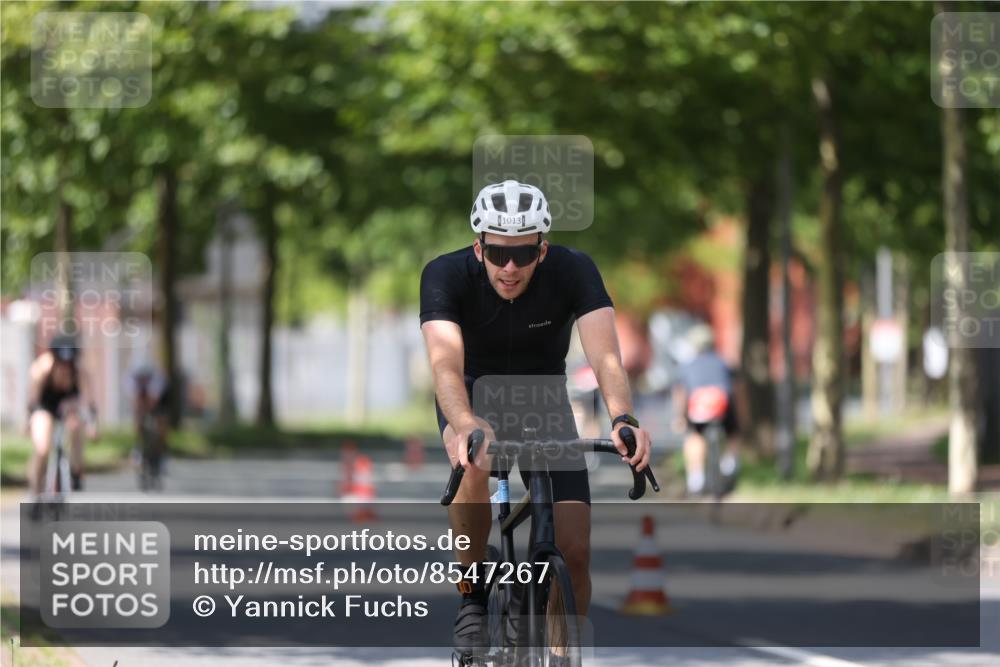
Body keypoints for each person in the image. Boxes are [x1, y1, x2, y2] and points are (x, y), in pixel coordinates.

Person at [419, 179, 653, 657]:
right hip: (472, 396)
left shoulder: (573, 269)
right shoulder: (445, 274)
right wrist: (464, 424)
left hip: (543, 400)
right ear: (478, 247)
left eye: (523, 254)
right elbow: (445, 365)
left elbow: (607, 357)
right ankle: (472, 596)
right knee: (474, 459)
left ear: (542, 251)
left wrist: (622, 417)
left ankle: (563, 654)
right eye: (498, 254)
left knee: (575, 550)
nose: (510, 268)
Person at [672, 324, 740, 495]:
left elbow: (681, 392)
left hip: (698, 406)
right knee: (733, 432)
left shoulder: (687, 365)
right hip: (722, 403)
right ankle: (730, 462)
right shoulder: (723, 362)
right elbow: (736, 389)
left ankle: (696, 476)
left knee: (694, 436)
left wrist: (680, 417)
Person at [26, 334, 98, 497]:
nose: (65, 368)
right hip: (45, 405)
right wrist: (29, 422)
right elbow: (33, 400)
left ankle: (75, 469)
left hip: (69, 405)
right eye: (61, 363)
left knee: (76, 426)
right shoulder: (42, 369)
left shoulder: (79, 371)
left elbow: (90, 402)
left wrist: (93, 425)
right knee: (42, 448)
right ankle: (36, 491)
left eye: (68, 363)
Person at [129, 360, 170, 478]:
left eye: (145, 378)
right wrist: (140, 414)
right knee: (138, 417)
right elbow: (135, 400)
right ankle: (138, 449)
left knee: (161, 422)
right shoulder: (130, 380)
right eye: (141, 378)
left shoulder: (158, 379)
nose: (143, 380)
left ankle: (163, 455)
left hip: (160, 399)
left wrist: (149, 409)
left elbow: (154, 400)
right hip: (141, 396)